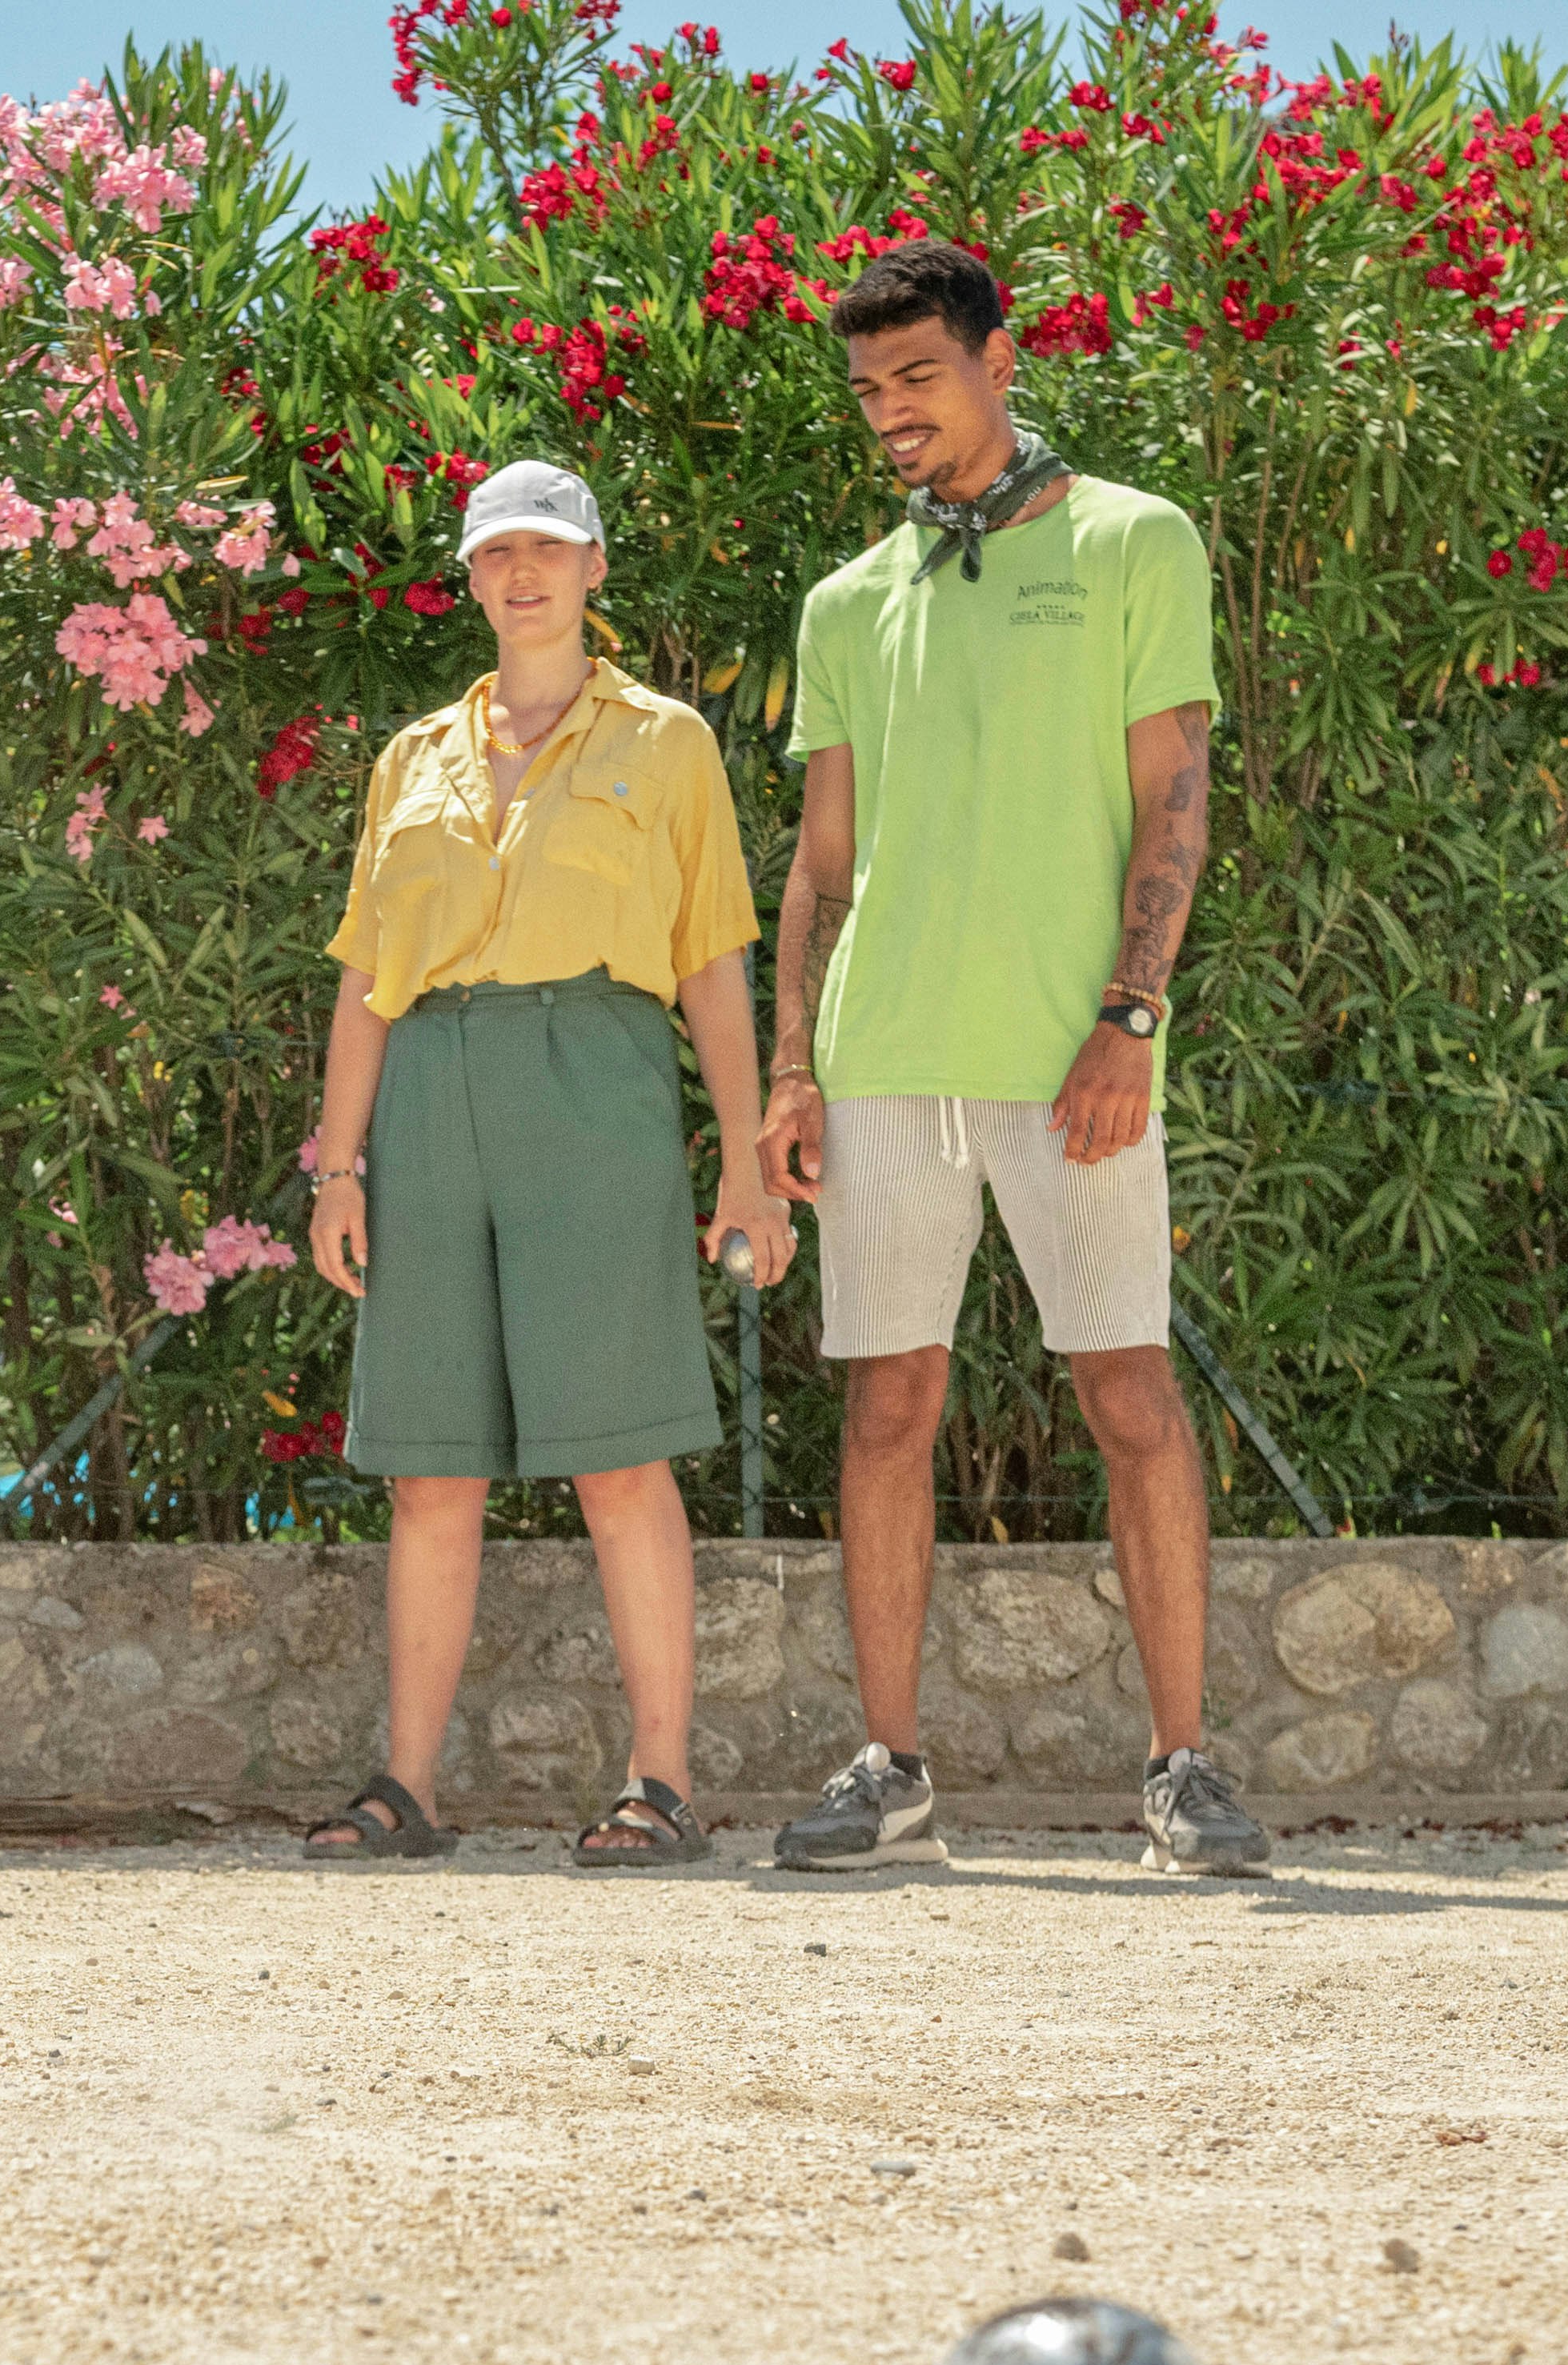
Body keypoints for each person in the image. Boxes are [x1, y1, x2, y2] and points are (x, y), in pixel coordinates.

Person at [759, 242, 1271, 1878]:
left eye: (916, 375)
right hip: (882, 1061)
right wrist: (788, 1072)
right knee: (887, 1407)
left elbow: (1172, 797)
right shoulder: (850, 598)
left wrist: (1131, 1018)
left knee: (1129, 1393)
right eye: (865, 391)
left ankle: (1184, 1769)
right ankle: (891, 1770)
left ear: (995, 359)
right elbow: (821, 862)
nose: (890, 412)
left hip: (1075, 1061)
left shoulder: (1134, 540)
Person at [298, 459, 797, 1868]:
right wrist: (339, 1166)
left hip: (596, 1077)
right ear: (469, 576)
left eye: (548, 549)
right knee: (427, 1468)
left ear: (591, 571)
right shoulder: (411, 757)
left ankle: (660, 1781)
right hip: (429, 1091)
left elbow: (711, 961)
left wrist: (745, 1166)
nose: (520, 573)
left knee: (620, 1454)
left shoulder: (669, 742)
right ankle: (404, 1788)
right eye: (495, 553)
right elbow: (363, 980)